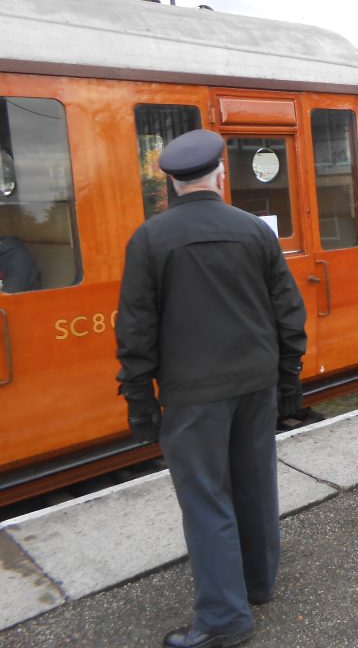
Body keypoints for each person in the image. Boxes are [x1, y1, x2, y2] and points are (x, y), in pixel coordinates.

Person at [115, 128, 307, 648]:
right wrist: (289, 377)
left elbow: (136, 328)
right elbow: (288, 310)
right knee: (254, 483)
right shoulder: (254, 231)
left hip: (192, 393)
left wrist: (138, 399)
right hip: (256, 382)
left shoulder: (149, 239)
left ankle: (224, 619)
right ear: (220, 174)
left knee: (205, 499)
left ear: (171, 183)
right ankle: (257, 584)